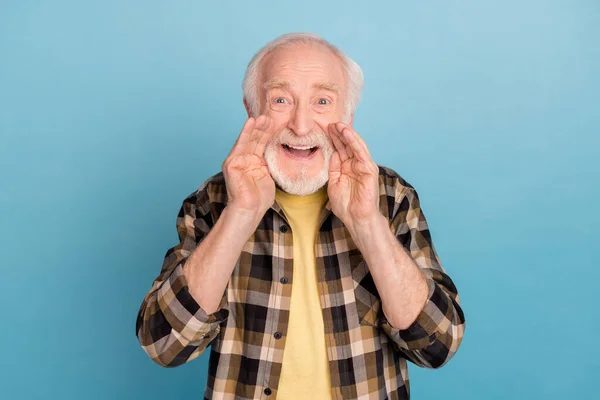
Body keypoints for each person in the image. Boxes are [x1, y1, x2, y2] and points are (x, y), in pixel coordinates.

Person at [136, 32, 465, 400]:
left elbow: (437, 346)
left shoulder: (391, 197)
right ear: (252, 110)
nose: (302, 124)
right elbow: (164, 346)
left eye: (322, 101)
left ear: (347, 115)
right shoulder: (212, 202)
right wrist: (239, 213)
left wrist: (366, 222)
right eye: (280, 100)